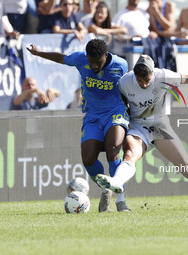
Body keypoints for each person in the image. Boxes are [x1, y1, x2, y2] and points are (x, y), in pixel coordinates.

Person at [95, 55, 188, 210]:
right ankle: (116, 183)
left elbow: (186, 78)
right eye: (140, 80)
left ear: (152, 73)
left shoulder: (163, 75)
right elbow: (120, 101)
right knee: (130, 154)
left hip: (159, 127)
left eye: (147, 80)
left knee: (186, 168)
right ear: (134, 75)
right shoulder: (125, 82)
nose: (143, 84)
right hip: (137, 127)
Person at [26, 39, 131, 212]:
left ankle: (121, 202)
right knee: (88, 158)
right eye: (92, 62)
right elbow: (61, 58)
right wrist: (38, 53)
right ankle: (106, 188)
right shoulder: (80, 59)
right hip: (92, 115)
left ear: (106, 56)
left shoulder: (121, 65)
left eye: (98, 62)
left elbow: (129, 87)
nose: (95, 66)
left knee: (113, 151)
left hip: (115, 112)